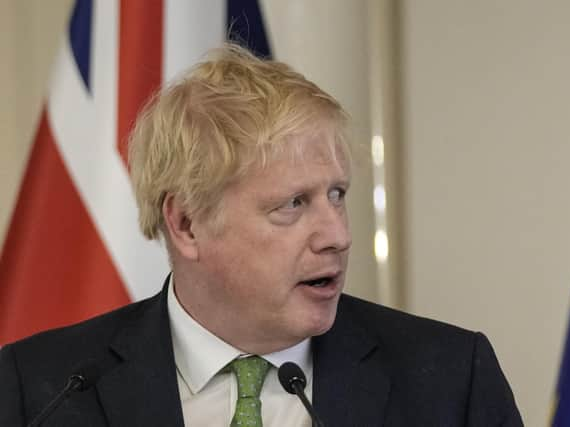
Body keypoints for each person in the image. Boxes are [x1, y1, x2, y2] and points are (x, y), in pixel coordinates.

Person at [0, 44, 523, 426]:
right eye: (293, 204)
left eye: (337, 195)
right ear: (187, 224)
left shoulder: (452, 382)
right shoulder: (40, 389)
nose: (337, 236)